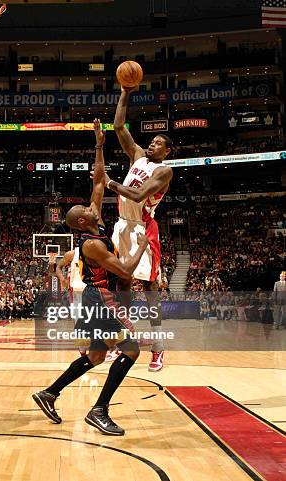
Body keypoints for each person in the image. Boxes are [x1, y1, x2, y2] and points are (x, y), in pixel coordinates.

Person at [32, 119, 147, 436]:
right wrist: (142, 245)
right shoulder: (92, 244)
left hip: (91, 303)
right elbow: (124, 271)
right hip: (101, 300)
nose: (93, 204)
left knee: (96, 354)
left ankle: (49, 393)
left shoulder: (92, 228)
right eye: (87, 207)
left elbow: (98, 182)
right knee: (131, 350)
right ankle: (99, 410)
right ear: (83, 219)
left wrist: (99, 144)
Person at [106, 85, 174, 372]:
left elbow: (137, 195)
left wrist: (109, 183)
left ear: (167, 151)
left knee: (148, 289)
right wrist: (125, 92)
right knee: (121, 284)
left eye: (159, 143)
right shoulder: (136, 156)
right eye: (152, 140)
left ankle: (158, 349)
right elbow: (119, 125)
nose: (152, 144)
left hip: (142, 229)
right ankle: (124, 339)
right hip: (122, 225)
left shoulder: (164, 171)